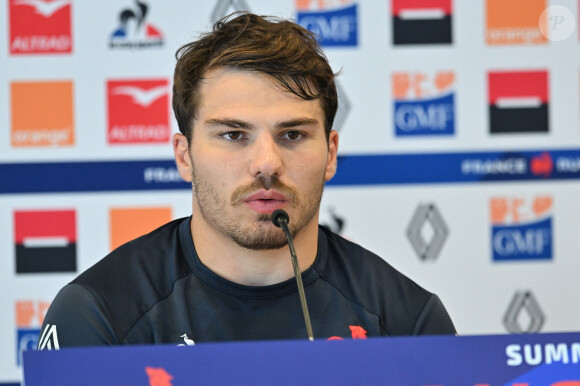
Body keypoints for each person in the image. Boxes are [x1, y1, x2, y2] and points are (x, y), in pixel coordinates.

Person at [38, 13, 455, 350]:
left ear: (330, 154)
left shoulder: (408, 322)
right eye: (234, 135)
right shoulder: (99, 314)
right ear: (184, 156)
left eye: (292, 135)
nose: (266, 163)